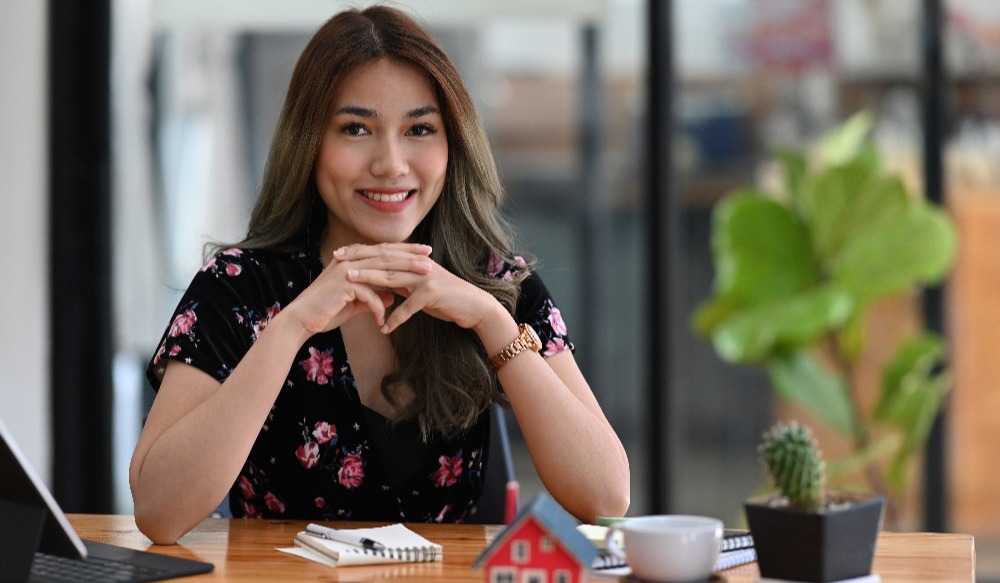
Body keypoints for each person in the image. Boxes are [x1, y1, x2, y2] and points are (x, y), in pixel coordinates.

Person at [129, 5, 630, 545]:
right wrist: (292, 327)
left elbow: (606, 499)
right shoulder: (239, 286)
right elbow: (158, 513)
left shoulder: (497, 286)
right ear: (309, 143)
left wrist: (491, 323)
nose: (391, 163)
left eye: (419, 128)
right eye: (356, 128)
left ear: (451, 143)